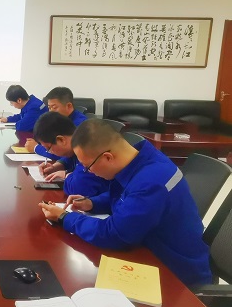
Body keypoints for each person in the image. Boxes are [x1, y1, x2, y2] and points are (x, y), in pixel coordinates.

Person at [38, 118, 212, 287]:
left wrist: (65, 217)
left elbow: (114, 234)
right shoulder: (141, 158)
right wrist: (92, 203)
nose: (87, 172)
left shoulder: (151, 181)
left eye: (87, 167)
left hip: (176, 275)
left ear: (108, 157)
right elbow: (126, 195)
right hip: (149, 251)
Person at [32, 112, 109, 197]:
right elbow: (70, 156)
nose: (49, 152)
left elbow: (79, 189)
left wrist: (67, 175)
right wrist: (58, 165)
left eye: (48, 148)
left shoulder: (88, 149)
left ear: (61, 140)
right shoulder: (78, 140)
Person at [26, 87, 88, 159]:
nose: (51, 111)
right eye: (49, 108)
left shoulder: (80, 125)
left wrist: (36, 148)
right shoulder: (57, 121)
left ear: (69, 106)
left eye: (54, 107)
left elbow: (64, 153)